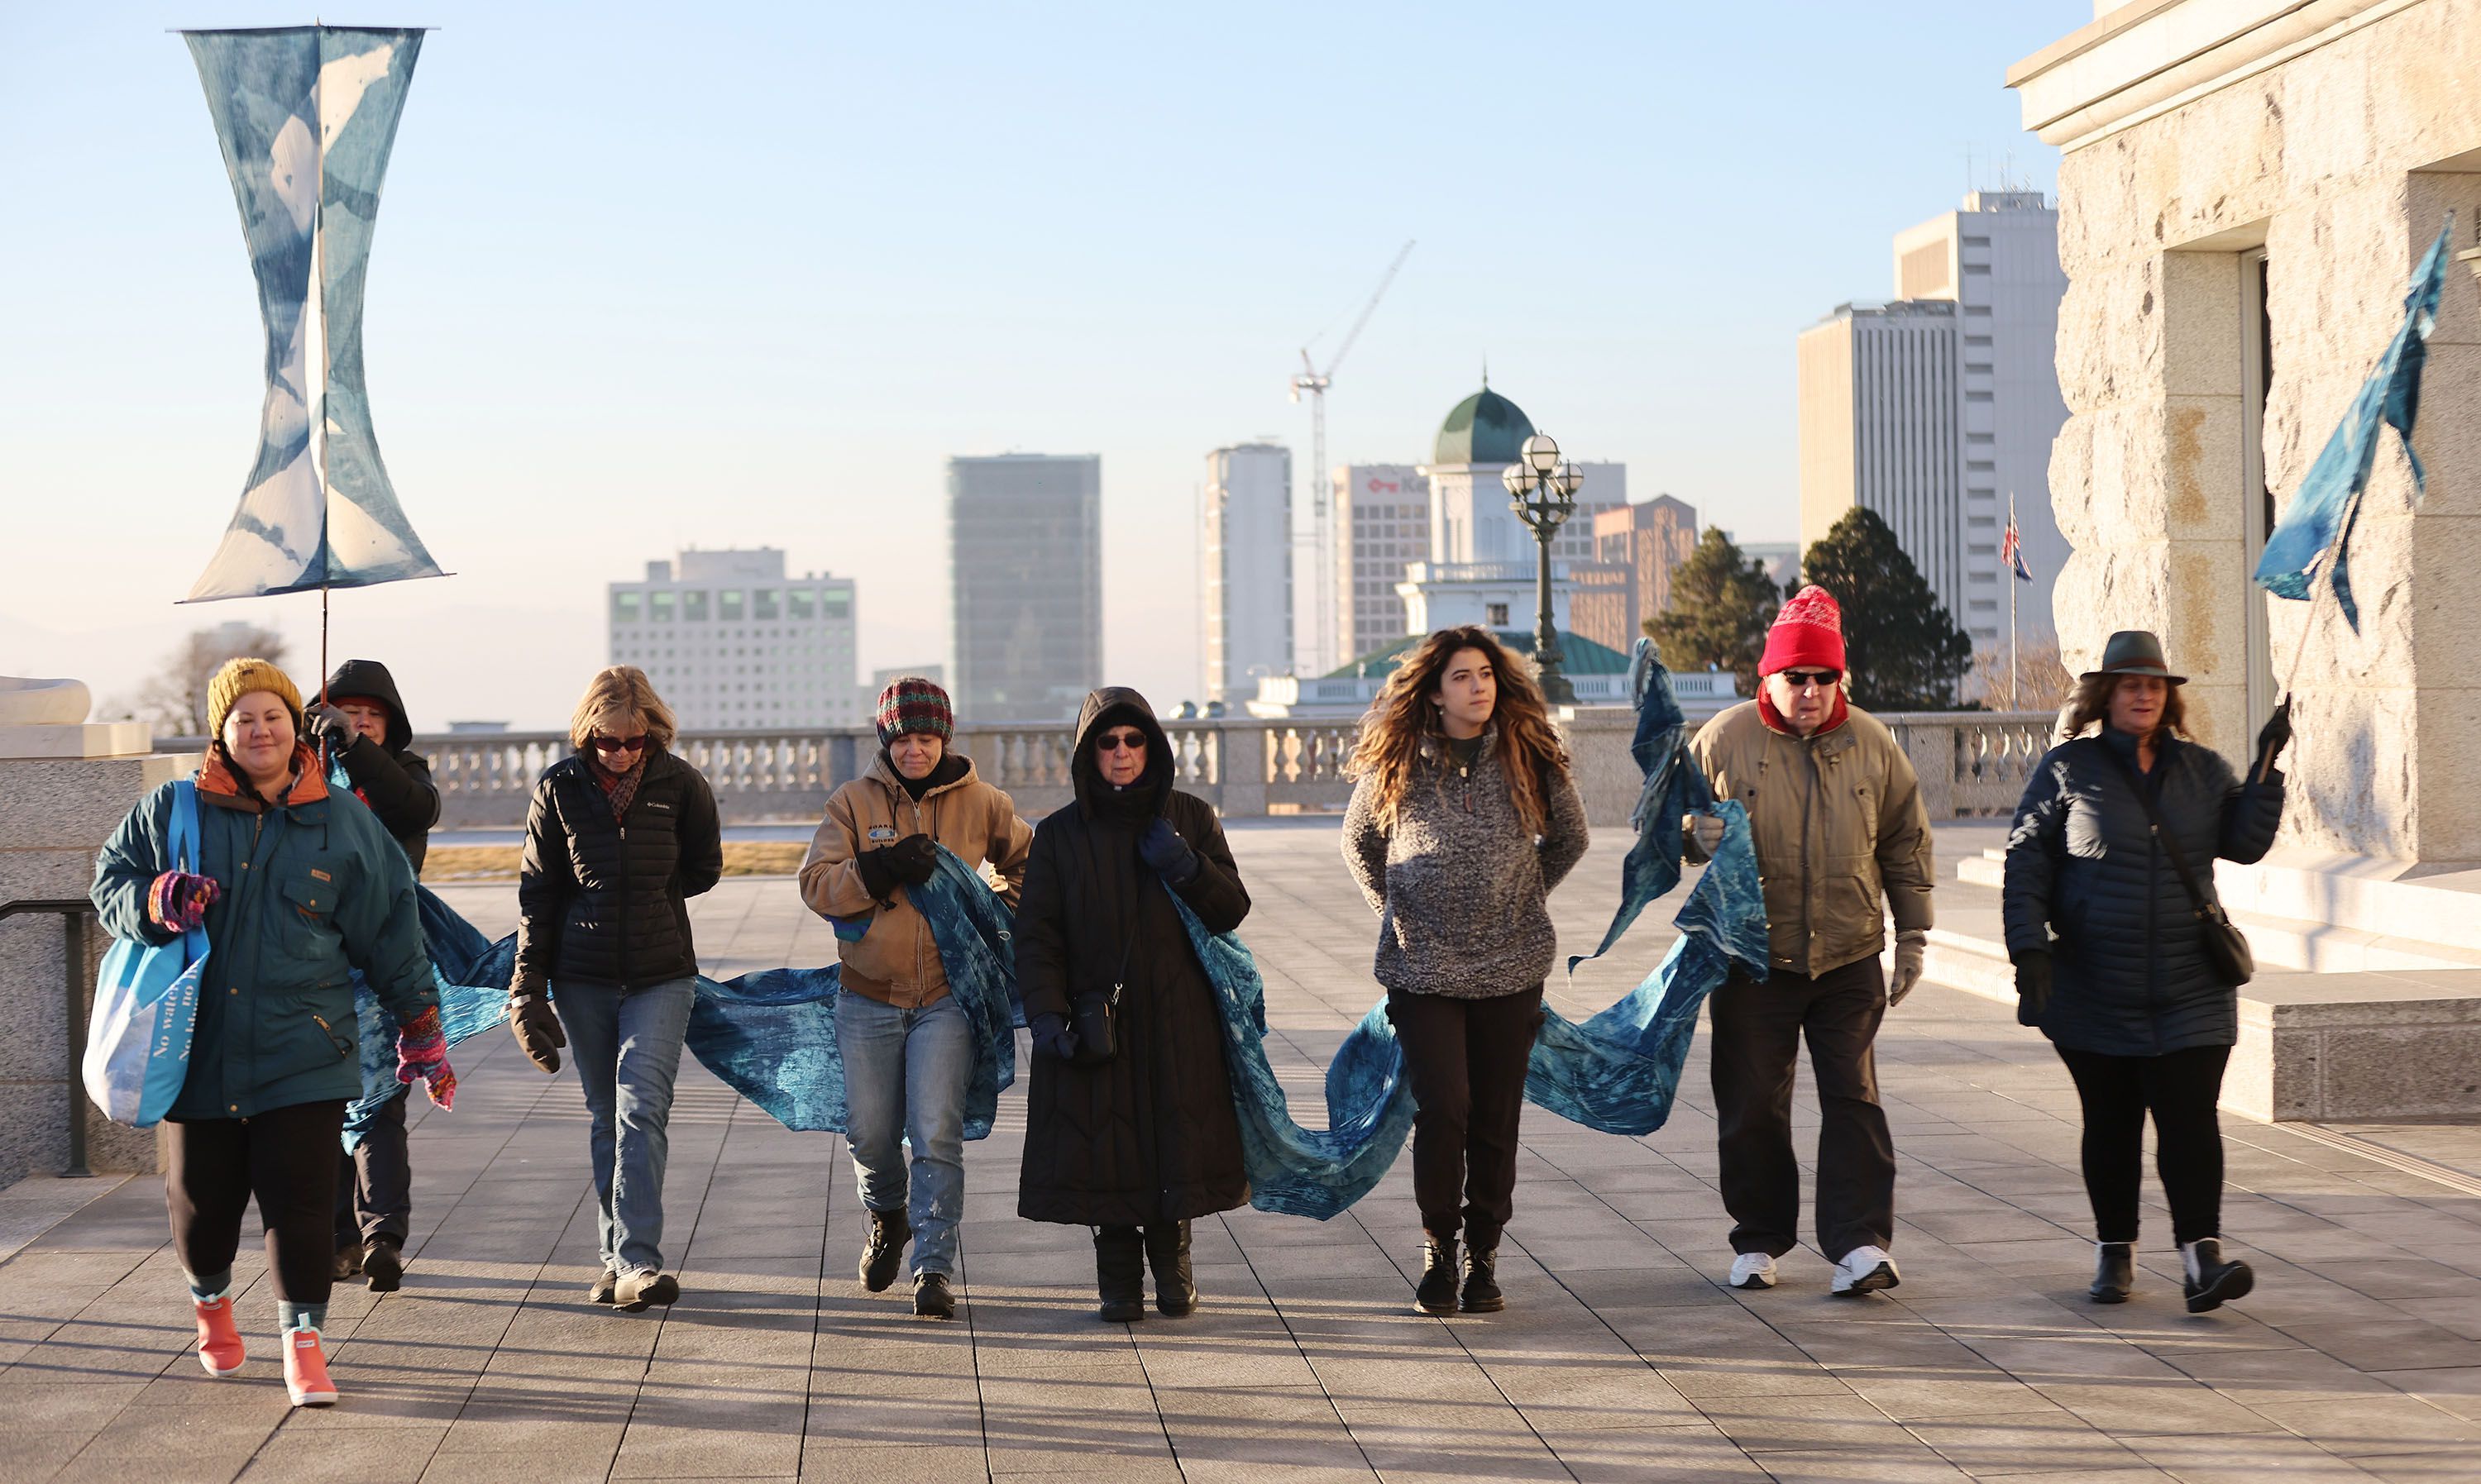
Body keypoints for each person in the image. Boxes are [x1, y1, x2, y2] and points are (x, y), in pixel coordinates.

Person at [92, 658, 448, 1407]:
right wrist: (157, 898)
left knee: (304, 1202)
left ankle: (304, 1346)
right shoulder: (174, 809)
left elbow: (391, 926)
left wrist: (422, 1026)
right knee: (204, 1204)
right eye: (244, 717)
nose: (260, 729)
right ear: (221, 731)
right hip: (199, 1048)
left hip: (308, 1046)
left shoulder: (342, 820)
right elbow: (110, 880)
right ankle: (212, 1303)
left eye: (274, 716)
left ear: (297, 728)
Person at [2002, 630, 2288, 1312]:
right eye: (2130, 684)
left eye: (2154, 685)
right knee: (2112, 1121)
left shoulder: (2202, 769)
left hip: (2192, 985)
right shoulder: (2070, 768)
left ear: (2168, 697)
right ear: (2106, 694)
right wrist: (2030, 948)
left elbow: (2244, 844)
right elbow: (2026, 859)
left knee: (2191, 1121)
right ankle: (2115, 1249)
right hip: (2094, 985)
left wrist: (2268, 768)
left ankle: (2202, 1261)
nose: (2143, 694)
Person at [1684, 585, 1932, 1297]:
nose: (1813, 691)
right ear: (1769, 676)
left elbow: (1906, 841)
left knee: (1854, 1097)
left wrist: (1911, 936)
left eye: (1826, 678)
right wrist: (1691, 835)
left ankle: (1860, 1244)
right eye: (1798, 677)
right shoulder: (1726, 738)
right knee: (1753, 1099)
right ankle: (1759, 1238)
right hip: (1751, 960)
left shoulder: (1872, 743)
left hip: (1849, 951)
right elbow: (1669, 822)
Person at [1341, 627, 1589, 1316]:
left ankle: (1483, 1254)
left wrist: (1522, 894)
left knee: (1494, 1116)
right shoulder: (1399, 758)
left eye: (1485, 674)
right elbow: (1359, 841)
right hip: (1422, 968)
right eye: (1461, 676)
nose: (1477, 686)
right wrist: (1396, 908)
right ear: (1435, 688)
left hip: (1511, 965)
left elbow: (1571, 836)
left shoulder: (1530, 753)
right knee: (1443, 1107)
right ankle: (1438, 1249)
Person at [800, 676, 1032, 1320]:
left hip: (946, 1001)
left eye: (926, 738)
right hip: (867, 997)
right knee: (871, 1134)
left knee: (936, 1132)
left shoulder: (985, 802)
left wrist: (993, 912)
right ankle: (887, 1213)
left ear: (944, 738)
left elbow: (1030, 867)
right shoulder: (851, 802)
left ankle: (933, 1267)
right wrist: (880, 868)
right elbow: (816, 885)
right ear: (886, 739)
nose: (915, 751)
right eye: (903, 739)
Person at [1016, 687, 1251, 1322]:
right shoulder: (1060, 835)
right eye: (1108, 741)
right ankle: (1117, 1276)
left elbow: (1232, 908)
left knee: (1172, 1142)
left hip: (1182, 1020)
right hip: (1096, 1019)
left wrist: (1185, 863)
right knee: (1105, 1149)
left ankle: (1173, 1261)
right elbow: (1037, 936)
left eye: (1134, 739)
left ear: (1154, 745)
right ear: (1088, 752)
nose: (1121, 752)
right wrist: (1045, 1014)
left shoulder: (1193, 818)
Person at [506, 667, 723, 1312]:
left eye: (634, 740)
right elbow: (537, 893)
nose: (621, 752)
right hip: (583, 976)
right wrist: (527, 987)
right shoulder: (560, 788)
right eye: (608, 741)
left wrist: (646, 901)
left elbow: (705, 868)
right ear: (588, 732)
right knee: (607, 1115)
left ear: (654, 732)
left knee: (641, 1107)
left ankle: (637, 1262)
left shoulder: (681, 784)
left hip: (662, 974)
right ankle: (612, 1258)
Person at [304, 658, 441, 1294]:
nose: (358, 722)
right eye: (347, 712)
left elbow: (413, 806)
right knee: (323, 1101)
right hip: (314, 961)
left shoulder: (404, 775)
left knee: (383, 1095)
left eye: (372, 716)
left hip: (386, 959)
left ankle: (382, 1234)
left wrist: (353, 749)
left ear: (390, 725)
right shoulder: (303, 773)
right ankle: (338, 1239)